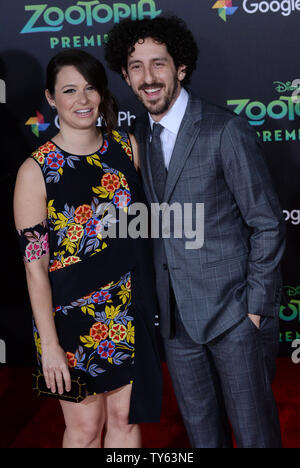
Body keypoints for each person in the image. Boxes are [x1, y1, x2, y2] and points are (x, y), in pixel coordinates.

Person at [104, 16, 286, 448]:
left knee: (255, 435)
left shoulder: (224, 130)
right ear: (126, 76)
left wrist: (254, 311)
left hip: (233, 317)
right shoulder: (140, 140)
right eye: (136, 67)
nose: (148, 78)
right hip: (176, 323)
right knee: (203, 437)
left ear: (180, 68)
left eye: (159, 64)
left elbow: (266, 222)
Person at [13, 49, 162, 449]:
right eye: (69, 90)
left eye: (90, 88)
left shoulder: (127, 148)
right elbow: (34, 267)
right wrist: (49, 348)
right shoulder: (35, 170)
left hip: (128, 310)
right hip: (69, 320)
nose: (82, 100)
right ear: (50, 98)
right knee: (83, 429)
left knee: (125, 421)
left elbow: (145, 227)